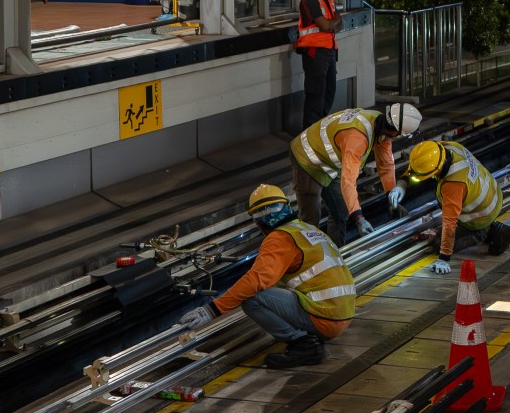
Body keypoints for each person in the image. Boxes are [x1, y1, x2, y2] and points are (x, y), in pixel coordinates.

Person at [179, 184, 355, 368]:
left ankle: (304, 345)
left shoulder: (280, 238)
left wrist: (212, 310)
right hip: (342, 314)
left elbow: (255, 281)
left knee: (252, 297)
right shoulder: (306, 229)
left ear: (259, 222)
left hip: (325, 319)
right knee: (273, 286)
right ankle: (310, 336)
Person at [289, 104, 422, 245]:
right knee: (310, 221)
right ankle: (309, 259)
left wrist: (391, 194)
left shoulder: (379, 122)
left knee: (341, 213)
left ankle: (336, 255)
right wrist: (359, 219)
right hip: (307, 159)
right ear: (396, 132)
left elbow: (385, 164)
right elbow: (348, 182)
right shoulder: (357, 139)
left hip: (331, 163)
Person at [404, 140, 510, 275]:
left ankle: (484, 232)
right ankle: (486, 228)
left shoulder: (453, 184)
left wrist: (444, 257)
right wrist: (403, 181)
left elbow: (449, 223)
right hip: (492, 192)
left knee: (437, 243)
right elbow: (421, 159)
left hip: (481, 214)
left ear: (437, 168)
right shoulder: (449, 147)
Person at [296, 0, 343, 129]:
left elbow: (339, 23)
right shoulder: (309, 0)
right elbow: (325, 25)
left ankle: (318, 130)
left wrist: (333, 23)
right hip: (315, 54)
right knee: (316, 95)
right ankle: (309, 135)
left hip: (328, 52)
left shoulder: (328, 0)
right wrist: (333, 23)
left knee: (329, 93)